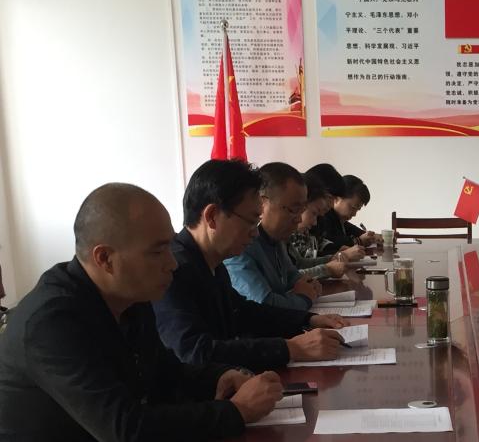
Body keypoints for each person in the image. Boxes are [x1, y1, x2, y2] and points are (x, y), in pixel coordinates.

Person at [0, 183, 282, 441]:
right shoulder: (51, 322)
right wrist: (237, 411)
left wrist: (219, 377)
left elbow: (166, 371)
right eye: (157, 252)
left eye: (170, 247)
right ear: (105, 258)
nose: (173, 263)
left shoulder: (130, 297)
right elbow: (125, 429)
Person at [154, 159, 349, 372]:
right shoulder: (172, 271)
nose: (255, 232)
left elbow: (243, 312)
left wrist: (309, 319)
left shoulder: (211, 262)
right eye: (250, 221)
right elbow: (193, 352)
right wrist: (290, 349)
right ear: (212, 216)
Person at [225, 162, 325, 310]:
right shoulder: (240, 244)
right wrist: (305, 298)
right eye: (294, 209)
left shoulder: (277, 239)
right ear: (262, 203)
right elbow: (264, 306)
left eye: (302, 210)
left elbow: (294, 278)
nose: (299, 219)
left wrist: (309, 284)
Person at [287, 172, 348, 280]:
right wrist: (327, 269)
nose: (332, 203)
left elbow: (300, 263)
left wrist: (331, 259)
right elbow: (287, 279)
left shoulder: (282, 240)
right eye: (314, 213)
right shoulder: (263, 242)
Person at [306, 163, 366, 261]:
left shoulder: (320, 217)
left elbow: (320, 244)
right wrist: (341, 254)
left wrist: (337, 250)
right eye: (330, 198)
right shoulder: (323, 216)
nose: (331, 204)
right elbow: (301, 264)